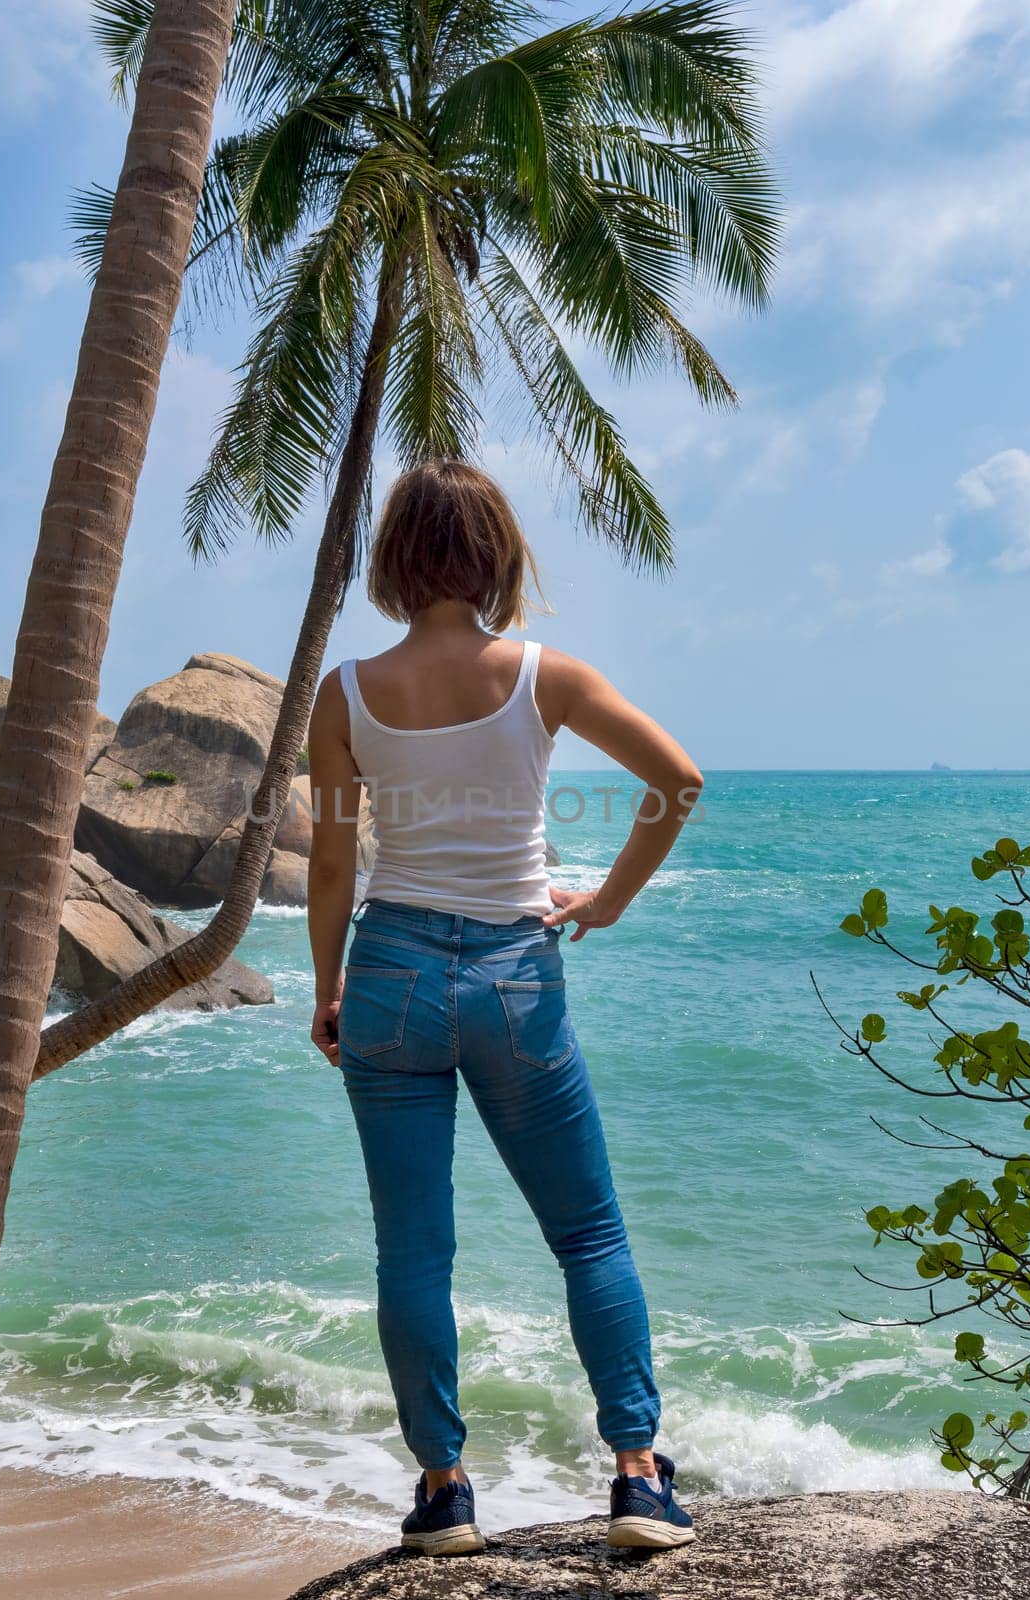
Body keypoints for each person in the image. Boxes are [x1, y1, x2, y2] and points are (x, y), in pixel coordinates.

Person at [306, 460, 703, 1556]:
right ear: (497, 556)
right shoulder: (547, 677)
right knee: (587, 1232)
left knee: (413, 1254)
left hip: (388, 974)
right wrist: (609, 901)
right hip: (517, 978)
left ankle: (443, 1493)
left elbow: (333, 867)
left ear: (394, 560)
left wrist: (330, 985)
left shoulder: (344, 695)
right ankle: (635, 1477)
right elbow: (677, 781)